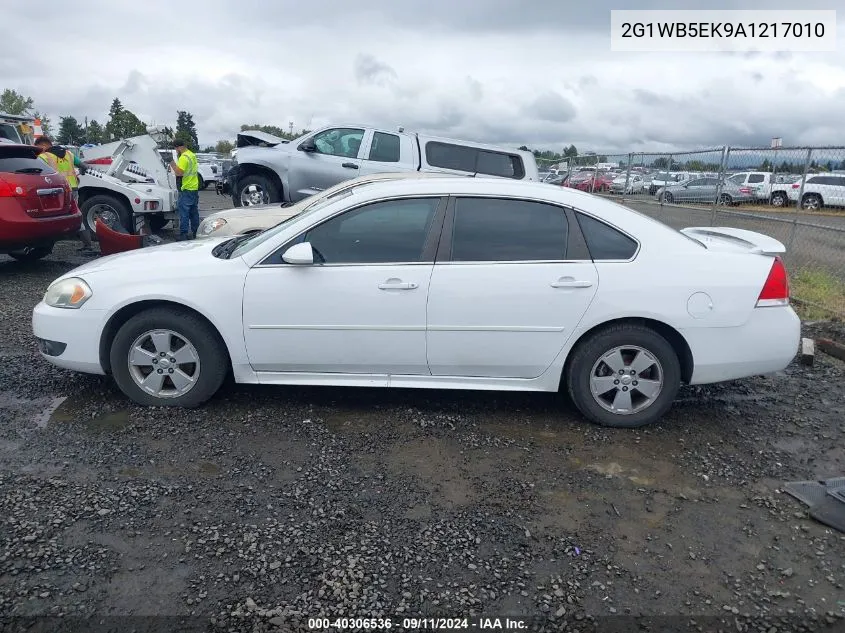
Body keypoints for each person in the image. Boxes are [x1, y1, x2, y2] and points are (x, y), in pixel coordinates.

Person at [34, 136, 97, 254]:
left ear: (43, 146)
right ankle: (88, 245)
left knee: (52, 217)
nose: (38, 151)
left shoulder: (44, 157)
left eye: (38, 148)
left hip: (56, 191)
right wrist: (80, 174)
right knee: (77, 215)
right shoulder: (69, 154)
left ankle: (46, 247)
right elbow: (84, 166)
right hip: (73, 190)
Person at [170, 139, 200, 240]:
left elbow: (179, 173)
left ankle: (183, 235)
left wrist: (171, 162)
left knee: (184, 213)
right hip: (194, 187)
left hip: (186, 188)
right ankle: (196, 233)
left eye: (176, 148)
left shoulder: (183, 158)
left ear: (178, 147)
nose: (176, 150)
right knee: (193, 213)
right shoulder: (191, 154)